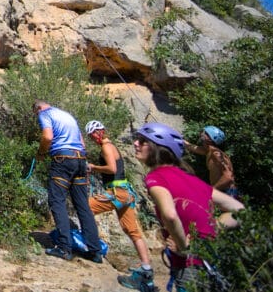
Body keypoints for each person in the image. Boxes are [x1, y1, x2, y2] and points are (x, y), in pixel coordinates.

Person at [133, 122, 244, 292]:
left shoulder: (156, 177)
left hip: (188, 266)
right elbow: (240, 210)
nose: (136, 143)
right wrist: (210, 230)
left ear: (157, 149)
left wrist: (183, 246)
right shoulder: (194, 180)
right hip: (210, 262)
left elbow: (170, 215)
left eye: (142, 141)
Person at [83, 121, 156, 291]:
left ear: (102, 131)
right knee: (131, 230)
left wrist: (93, 167)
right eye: (91, 134)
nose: (93, 136)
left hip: (116, 191)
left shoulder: (106, 147)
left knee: (85, 208)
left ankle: (92, 248)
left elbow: (111, 168)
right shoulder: (110, 145)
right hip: (124, 192)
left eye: (95, 132)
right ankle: (147, 271)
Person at [35, 100, 102, 262]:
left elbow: (48, 136)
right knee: (82, 205)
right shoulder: (68, 116)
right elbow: (82, 143)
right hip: (80, 159)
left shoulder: (45, 114)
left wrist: (41, 152)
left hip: (63, 160)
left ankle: (64, 248)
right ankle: (95, 251)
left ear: (38, 108)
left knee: (56, 201)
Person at [184, 126, 239, 200]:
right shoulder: (209, 151)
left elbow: (229, 177)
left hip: (227, 192)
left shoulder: (216, 154)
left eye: (205, 133)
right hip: (223, 190)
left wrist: (212, 190)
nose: (201, 134)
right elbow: (192, 147)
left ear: (209, 139)